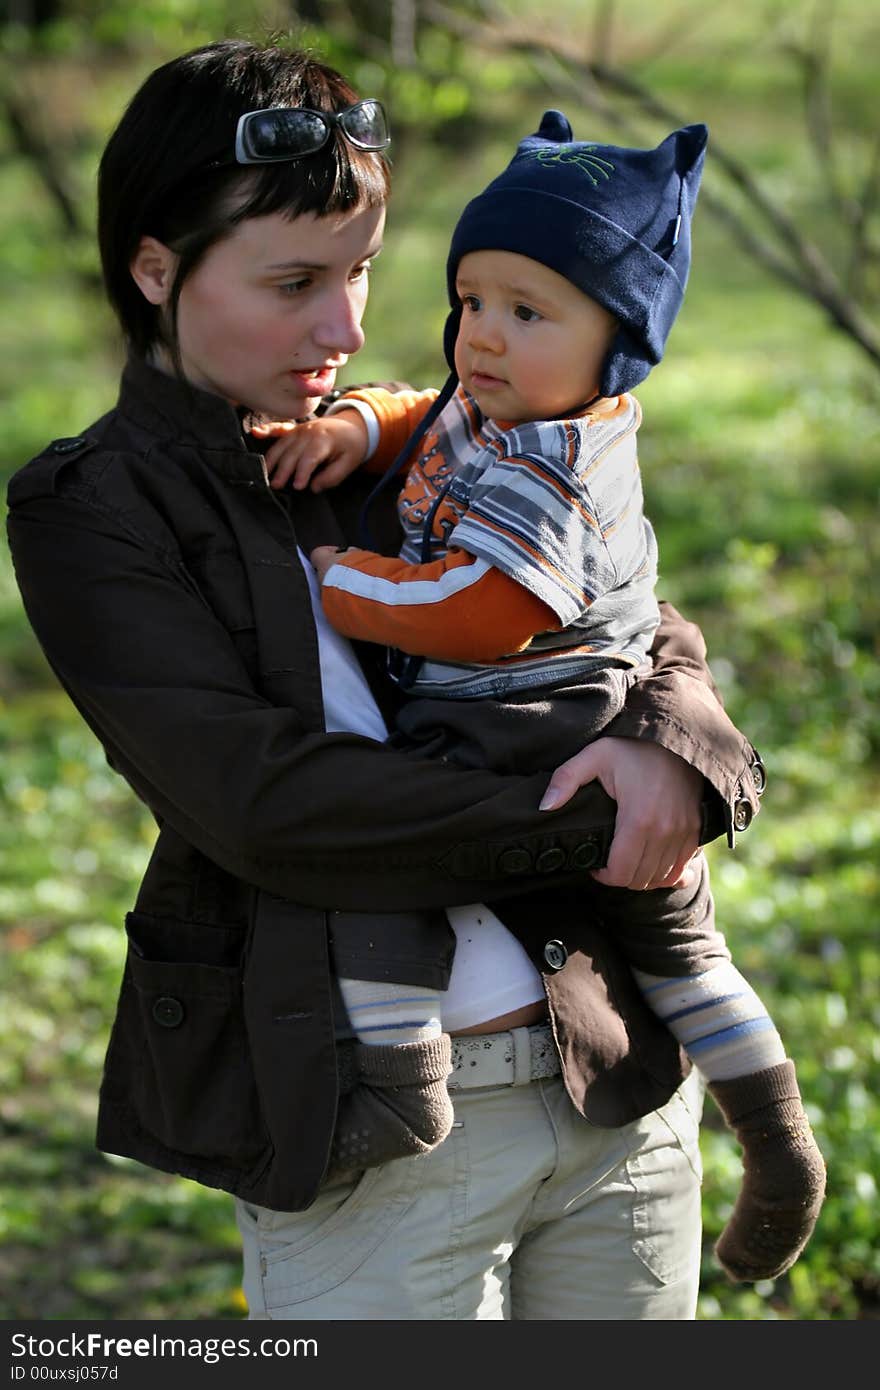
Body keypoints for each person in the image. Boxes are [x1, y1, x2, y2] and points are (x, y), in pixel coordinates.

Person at [6, 39, 767, 1321]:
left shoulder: (403, 428)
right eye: (295, 281)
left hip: (614, 1074)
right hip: (373, 1123)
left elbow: (632, 614)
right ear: (155, 268)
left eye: (359, 273)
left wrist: (674, 752)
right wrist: (600, 824)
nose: (345, 328)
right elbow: (267, 805)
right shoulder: (97, 506)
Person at [257, 111, 826, 1285]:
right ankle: (772, 1135)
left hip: (529, 723)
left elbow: (479, 608)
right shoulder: (502, 406)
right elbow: (430, 411)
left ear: (617, 339)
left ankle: (406, 1085)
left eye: (528, 311)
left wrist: (339, 581)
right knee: (673, 940)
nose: (484, 338)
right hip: (541, 709)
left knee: (396, 870)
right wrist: (359, 420)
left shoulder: (558, 463)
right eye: (472, 300)